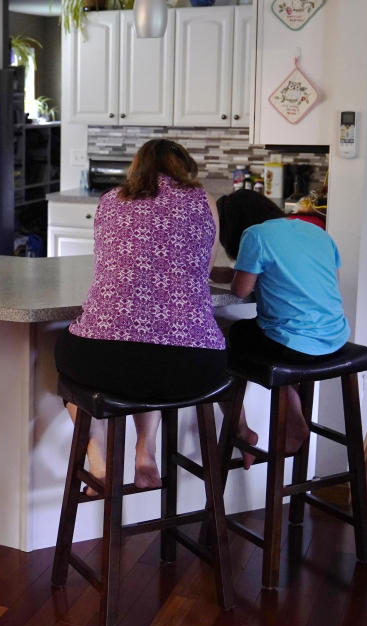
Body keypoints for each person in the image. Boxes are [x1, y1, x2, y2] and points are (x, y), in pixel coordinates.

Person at [55, 139, 229, 494]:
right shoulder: (204, 202)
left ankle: (100, 463)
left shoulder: (110, 201)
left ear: (136, 168)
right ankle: (144, 449)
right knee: (152, 354)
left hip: (103, 360)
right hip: (193, 365)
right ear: (185, 168)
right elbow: (206, 270)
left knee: (74, 361)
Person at [213, 189, 350, 467]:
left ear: (234, 226)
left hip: (289, 347)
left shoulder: (254, 235)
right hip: (336, 341)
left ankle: (242, 429)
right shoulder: (317, 231)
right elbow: (326, 284)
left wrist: (240, 276)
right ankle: (290, 398)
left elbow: (240, 291)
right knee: (271, 340)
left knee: (216, 339)